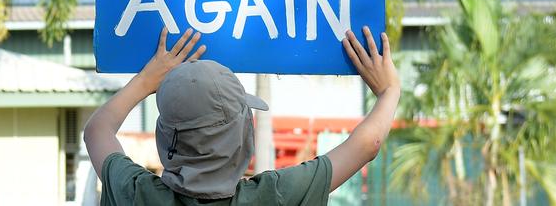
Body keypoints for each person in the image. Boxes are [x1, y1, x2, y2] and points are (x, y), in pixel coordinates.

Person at [84, 26, 401, 205]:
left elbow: (97, 131)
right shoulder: (274, 196)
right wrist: (390, 91)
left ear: (164, 137)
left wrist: (145, 80)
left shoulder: (134, 194)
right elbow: (368, 144)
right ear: (243, 139)